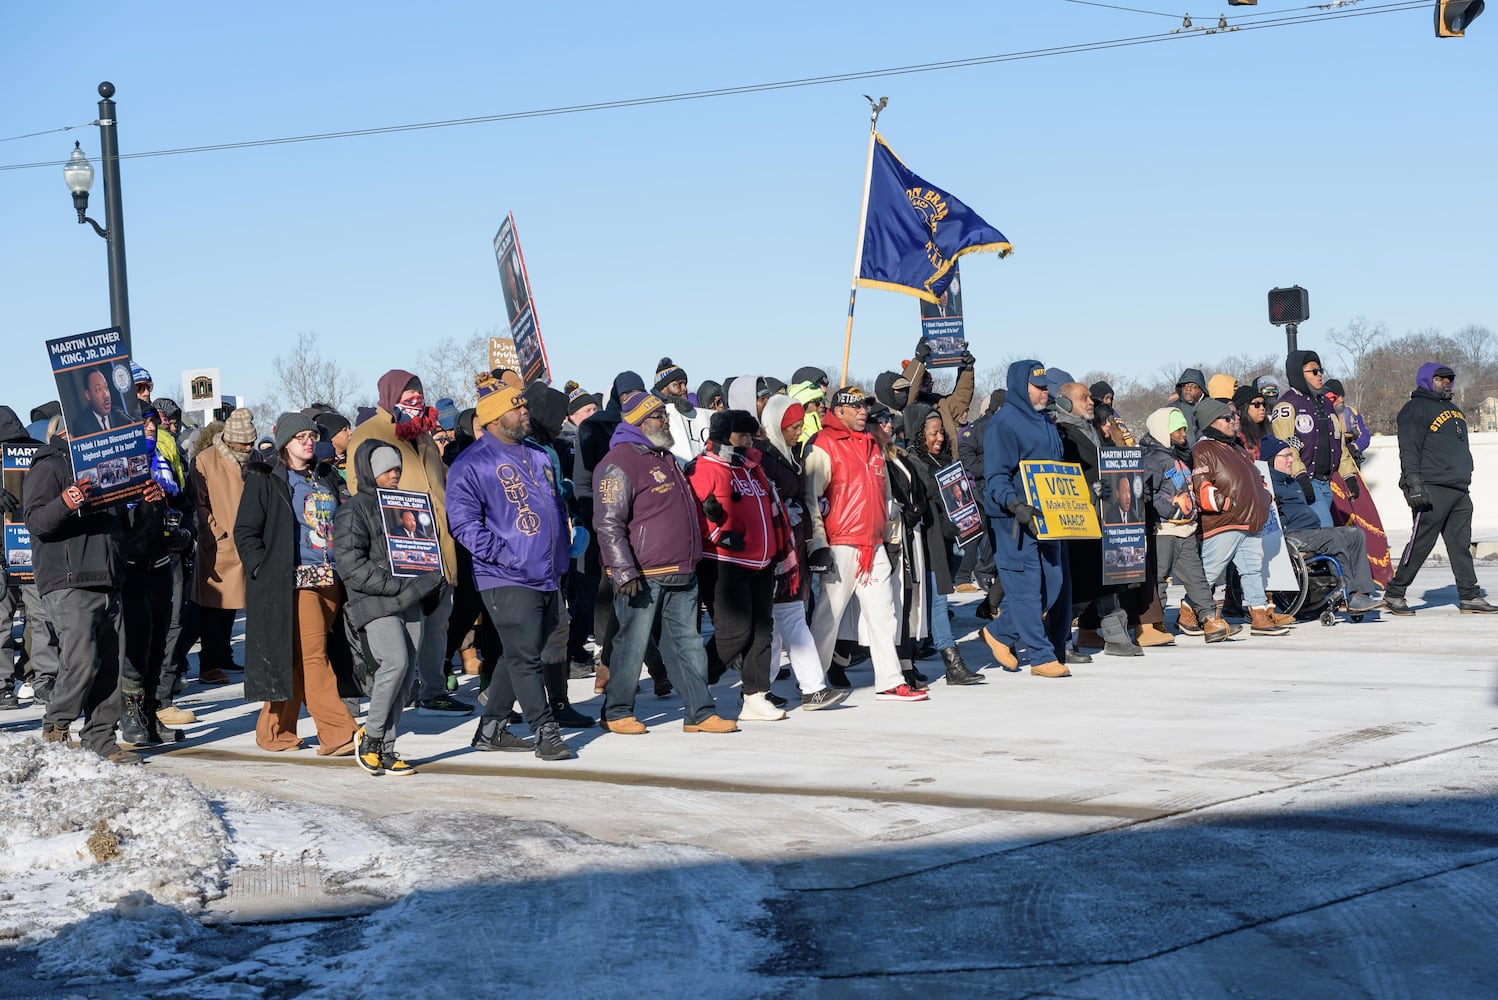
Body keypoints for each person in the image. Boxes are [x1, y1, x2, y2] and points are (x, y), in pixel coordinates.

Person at [594, 390, 737, 734]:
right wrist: (623, 570)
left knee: (687, 644)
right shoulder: (619, 461)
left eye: (665, 415)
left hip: (681, 568)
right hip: (643, 573)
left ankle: (700, 712)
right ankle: (616, 711)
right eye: (659, 416)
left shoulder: (665, 457)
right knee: (631, 644)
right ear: (640, 422)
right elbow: (607, 523)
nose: (667, 420)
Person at [24, 413, 158, 763]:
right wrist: (67, 501)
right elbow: (35, 521)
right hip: (69, 579)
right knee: (82, 659)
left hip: (108, 577)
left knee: (112, 666)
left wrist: (146, 504)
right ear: (64, 431)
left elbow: (125, 531)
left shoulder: (104, 467)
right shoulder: (50, 465)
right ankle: (56, 727)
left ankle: (100, 740)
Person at [346, 370, 471, 716]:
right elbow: (361, 489)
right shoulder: (369, 433)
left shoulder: (424, 434)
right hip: (403, 547)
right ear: (389, 395)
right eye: (408, 393)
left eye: (418, 393)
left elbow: (439, 480)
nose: (416, 400)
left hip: (439, 544)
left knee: (438, 622)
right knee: (409, 625)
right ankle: (403, 691)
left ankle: (433, 688)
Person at [234, 413, 358, 755]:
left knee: (296, 658)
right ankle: (339, 733)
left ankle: (274, 732)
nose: (307, 441)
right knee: (314, 657)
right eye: (300, 436)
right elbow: (245, 531)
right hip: (293, 581)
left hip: (330, 579)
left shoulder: (326, 475)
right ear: (285, 442)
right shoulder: (267, 479)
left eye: (311, 435)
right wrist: (263, 567)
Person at [804, 386, 930, 701]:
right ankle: (812, 680)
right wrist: (817, 543)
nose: (863, 412)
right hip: (840, 543)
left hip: (873, 544)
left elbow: (884, 495)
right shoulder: (823, 444)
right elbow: (810, 499)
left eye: (865, 406)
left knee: (884, 612)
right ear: (839, 411)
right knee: (829, 614)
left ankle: (889, 679)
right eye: (857, 406)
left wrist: (890, 534)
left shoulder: (873, 445)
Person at [336, 441, 445, 776]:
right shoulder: (353, 509)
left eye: (397, 468)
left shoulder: (407, 505)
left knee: (406, 672)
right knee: (394, 663)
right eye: (386, 469)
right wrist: (396, 584)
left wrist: (429, 582)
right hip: (375, 600)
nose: (394, 474)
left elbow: (425, 549)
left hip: (410, 598)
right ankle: (369, 737)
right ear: (370, 471)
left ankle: (386, 747)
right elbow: (350, 565)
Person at [687, 409, 791, 721]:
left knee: (762, 630)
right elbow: (695, 511)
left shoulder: (752, 466)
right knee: (735, 632)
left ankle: (755, 696)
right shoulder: (704, 467)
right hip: (723, 562)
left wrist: (775, 546)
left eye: (750, 435)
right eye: (741, 435)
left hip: (760, 560)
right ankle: (695, 679)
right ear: (723, 436)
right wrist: (718, 534)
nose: (747, 441)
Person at [755, 395, 849, 710]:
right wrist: (786, 507)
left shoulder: (787, 454)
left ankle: (760, 688)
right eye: (791, 427)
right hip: (779, 549)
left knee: (780, 621)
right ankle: (813, 687)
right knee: (791, 616)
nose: (797, 432)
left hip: (792, 543)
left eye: (798, 426)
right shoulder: (764, 457)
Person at [1383, 363, 1496, 615]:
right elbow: (1409, 449)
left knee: (1460, 546)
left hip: (1458, 488)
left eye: (1449, 379)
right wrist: (1413, 482)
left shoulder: (1454, 409)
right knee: (1421, 544)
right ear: (1426, 379)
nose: (1446, 382)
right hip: (1431, 487)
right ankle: (1394, 593)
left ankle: (1469, 596)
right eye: (1440, 378)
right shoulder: (1414, 409)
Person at [980, 362, 1070, 677]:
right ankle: (1041, 655)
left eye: (1047, 387)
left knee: (1054, 582)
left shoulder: (1046, 422)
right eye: (1039, 387)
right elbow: (995, 477)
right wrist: (1015, 504)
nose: (1046, 392)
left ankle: (1000, 633)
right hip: (1014, 522)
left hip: (1049, 518)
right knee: (1026, 589)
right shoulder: (1004, 423)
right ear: (1022, 387)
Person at [1190, 398, 1289, 637]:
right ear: (1211, 422)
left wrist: (1264, 496)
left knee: (1252, 569)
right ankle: (1189, 610)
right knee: (1210, 572)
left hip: (1250, 520)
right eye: (1227, 418)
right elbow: (1201, 485)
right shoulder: (1203, 449)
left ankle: (1258, 614)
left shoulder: (1237, 448)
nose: (1233, 420)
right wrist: (1225, 503)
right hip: (1225, 522)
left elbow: (1257, 477)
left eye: (1233, 417)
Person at [904, 403, 985, 685]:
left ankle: (910, 662)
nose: (940, 438)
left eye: (942, 433)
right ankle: (952, 662)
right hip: (923, 541)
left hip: (943, 538)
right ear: (918, 433)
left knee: (932, 602)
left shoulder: (945, 462)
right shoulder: (912, 461)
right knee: (934, 602)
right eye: (933, 433)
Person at [1139, 407, 1235, 643]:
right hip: (1163, 530)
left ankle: (1210, 619)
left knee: (1197, 577)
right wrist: (1172, 510)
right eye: (1178, 429)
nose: (1183, 433)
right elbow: (1147, 494)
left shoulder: (1179, 457)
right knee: (1159, 578)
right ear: (1164, 431)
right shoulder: (1152, 459)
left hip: (1186, 530)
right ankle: (1155, 624)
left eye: (1184, 428)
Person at [1261, 437, 1385, 615]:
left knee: (1355, 533)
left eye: (1291, 455)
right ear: (1272, 459)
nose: (1291, 460)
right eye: (1286, 456)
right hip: (1291, 535)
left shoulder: (1292, 481)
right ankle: (1349, 594)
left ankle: (1362, 592)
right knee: (1334, 539)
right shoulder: (1268, 485)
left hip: (1310, 532)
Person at [191, 407, 255, 687]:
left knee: (232, 607)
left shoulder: (254, 459)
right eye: (244, 444)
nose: (248, 448)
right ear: (231, 441)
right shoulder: (205, 460)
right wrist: (214, 533)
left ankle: (224, 655)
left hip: (246, 542)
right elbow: (199, 503)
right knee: (212, 607)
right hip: (219, 544)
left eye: (251, 444)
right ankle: (209, 664)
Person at [1270, 350, 1361, 529]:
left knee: (1331, 534)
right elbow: (1287, 448)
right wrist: (1301, 477)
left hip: (1326, 482)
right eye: (1313, 371)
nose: (1319, 375)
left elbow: (1338, 443)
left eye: (1321, 370)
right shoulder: (1287, 405)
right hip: (1304, 481)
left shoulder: (1326, 403)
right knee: (1326, 531)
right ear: (1298, 374)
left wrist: (1349, 477)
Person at [653, 357, 706, 464]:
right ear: (663, 389)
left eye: (685, 384)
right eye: (677, 385)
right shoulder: (652, 417)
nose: (684, 389)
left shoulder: (696, 411)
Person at [81, 367, 130, 432]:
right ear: (88, 395)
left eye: (106, 387)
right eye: (98, 389)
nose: (106, 395)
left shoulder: (120, 414)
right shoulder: (81, 425)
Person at [1170, 368, 1207, 446]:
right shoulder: (1171, 409)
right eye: (1185, 385)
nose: (1188, 388)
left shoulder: (1211, 408)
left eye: (1193, 386)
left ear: (1201, 390)